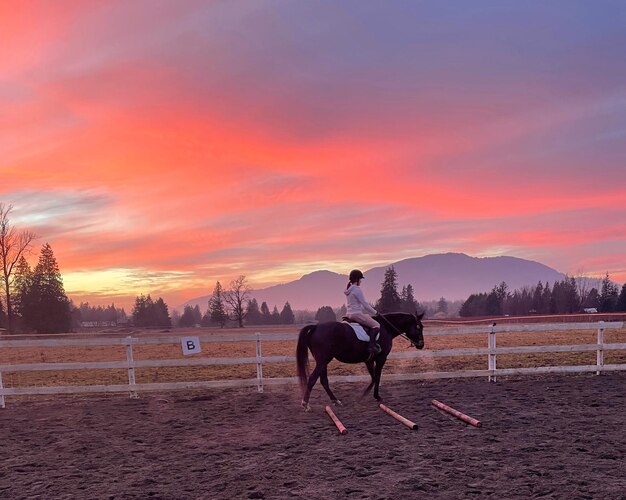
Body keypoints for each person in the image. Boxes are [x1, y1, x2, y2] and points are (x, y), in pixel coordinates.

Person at [344, 269, 380, 360]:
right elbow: (365, 304)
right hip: (356, 314)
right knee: (376, 325)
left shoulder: (348, 290)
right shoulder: (356, 289)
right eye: (360, 279)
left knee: (367, 317)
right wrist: (376, 312)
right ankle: (371, 346)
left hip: (349, 314)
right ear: (357, 279)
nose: (361, 281)